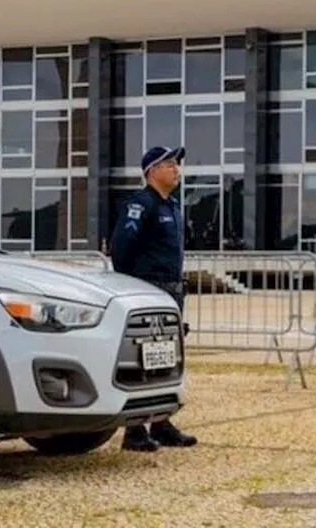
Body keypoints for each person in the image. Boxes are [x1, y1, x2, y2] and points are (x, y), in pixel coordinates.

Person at [107, 145, 200, 453]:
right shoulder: (140, 204)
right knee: (142, 357)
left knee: (166, 357)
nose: (176, 169)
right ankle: (134, 430)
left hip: (172, 291)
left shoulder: (172, 205)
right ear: (151, 171)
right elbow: (121, 248)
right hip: (148, 288)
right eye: (169, 164)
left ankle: (161, 423)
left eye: (176, 164)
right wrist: (134, 285)